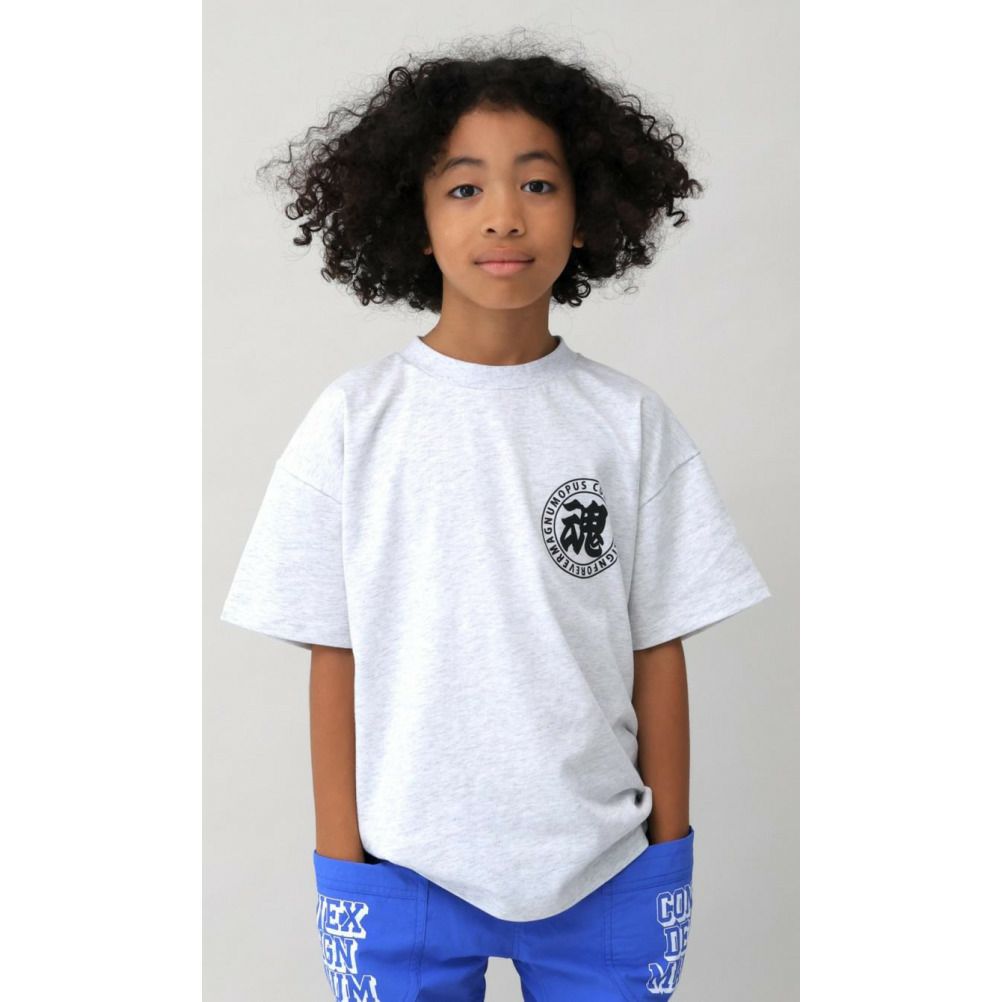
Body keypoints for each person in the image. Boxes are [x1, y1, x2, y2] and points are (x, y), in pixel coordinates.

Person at [220, 36, 771, 1001]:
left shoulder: (629, 423)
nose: (505, 215)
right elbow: (333, 653)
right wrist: (344, 865)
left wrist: (667, 852)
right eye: (465, 187)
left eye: (539, 184)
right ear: (416, 220)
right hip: (401, 873)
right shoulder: (354, 421)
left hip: (606, 871)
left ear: (588, 214)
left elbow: (658, 649)